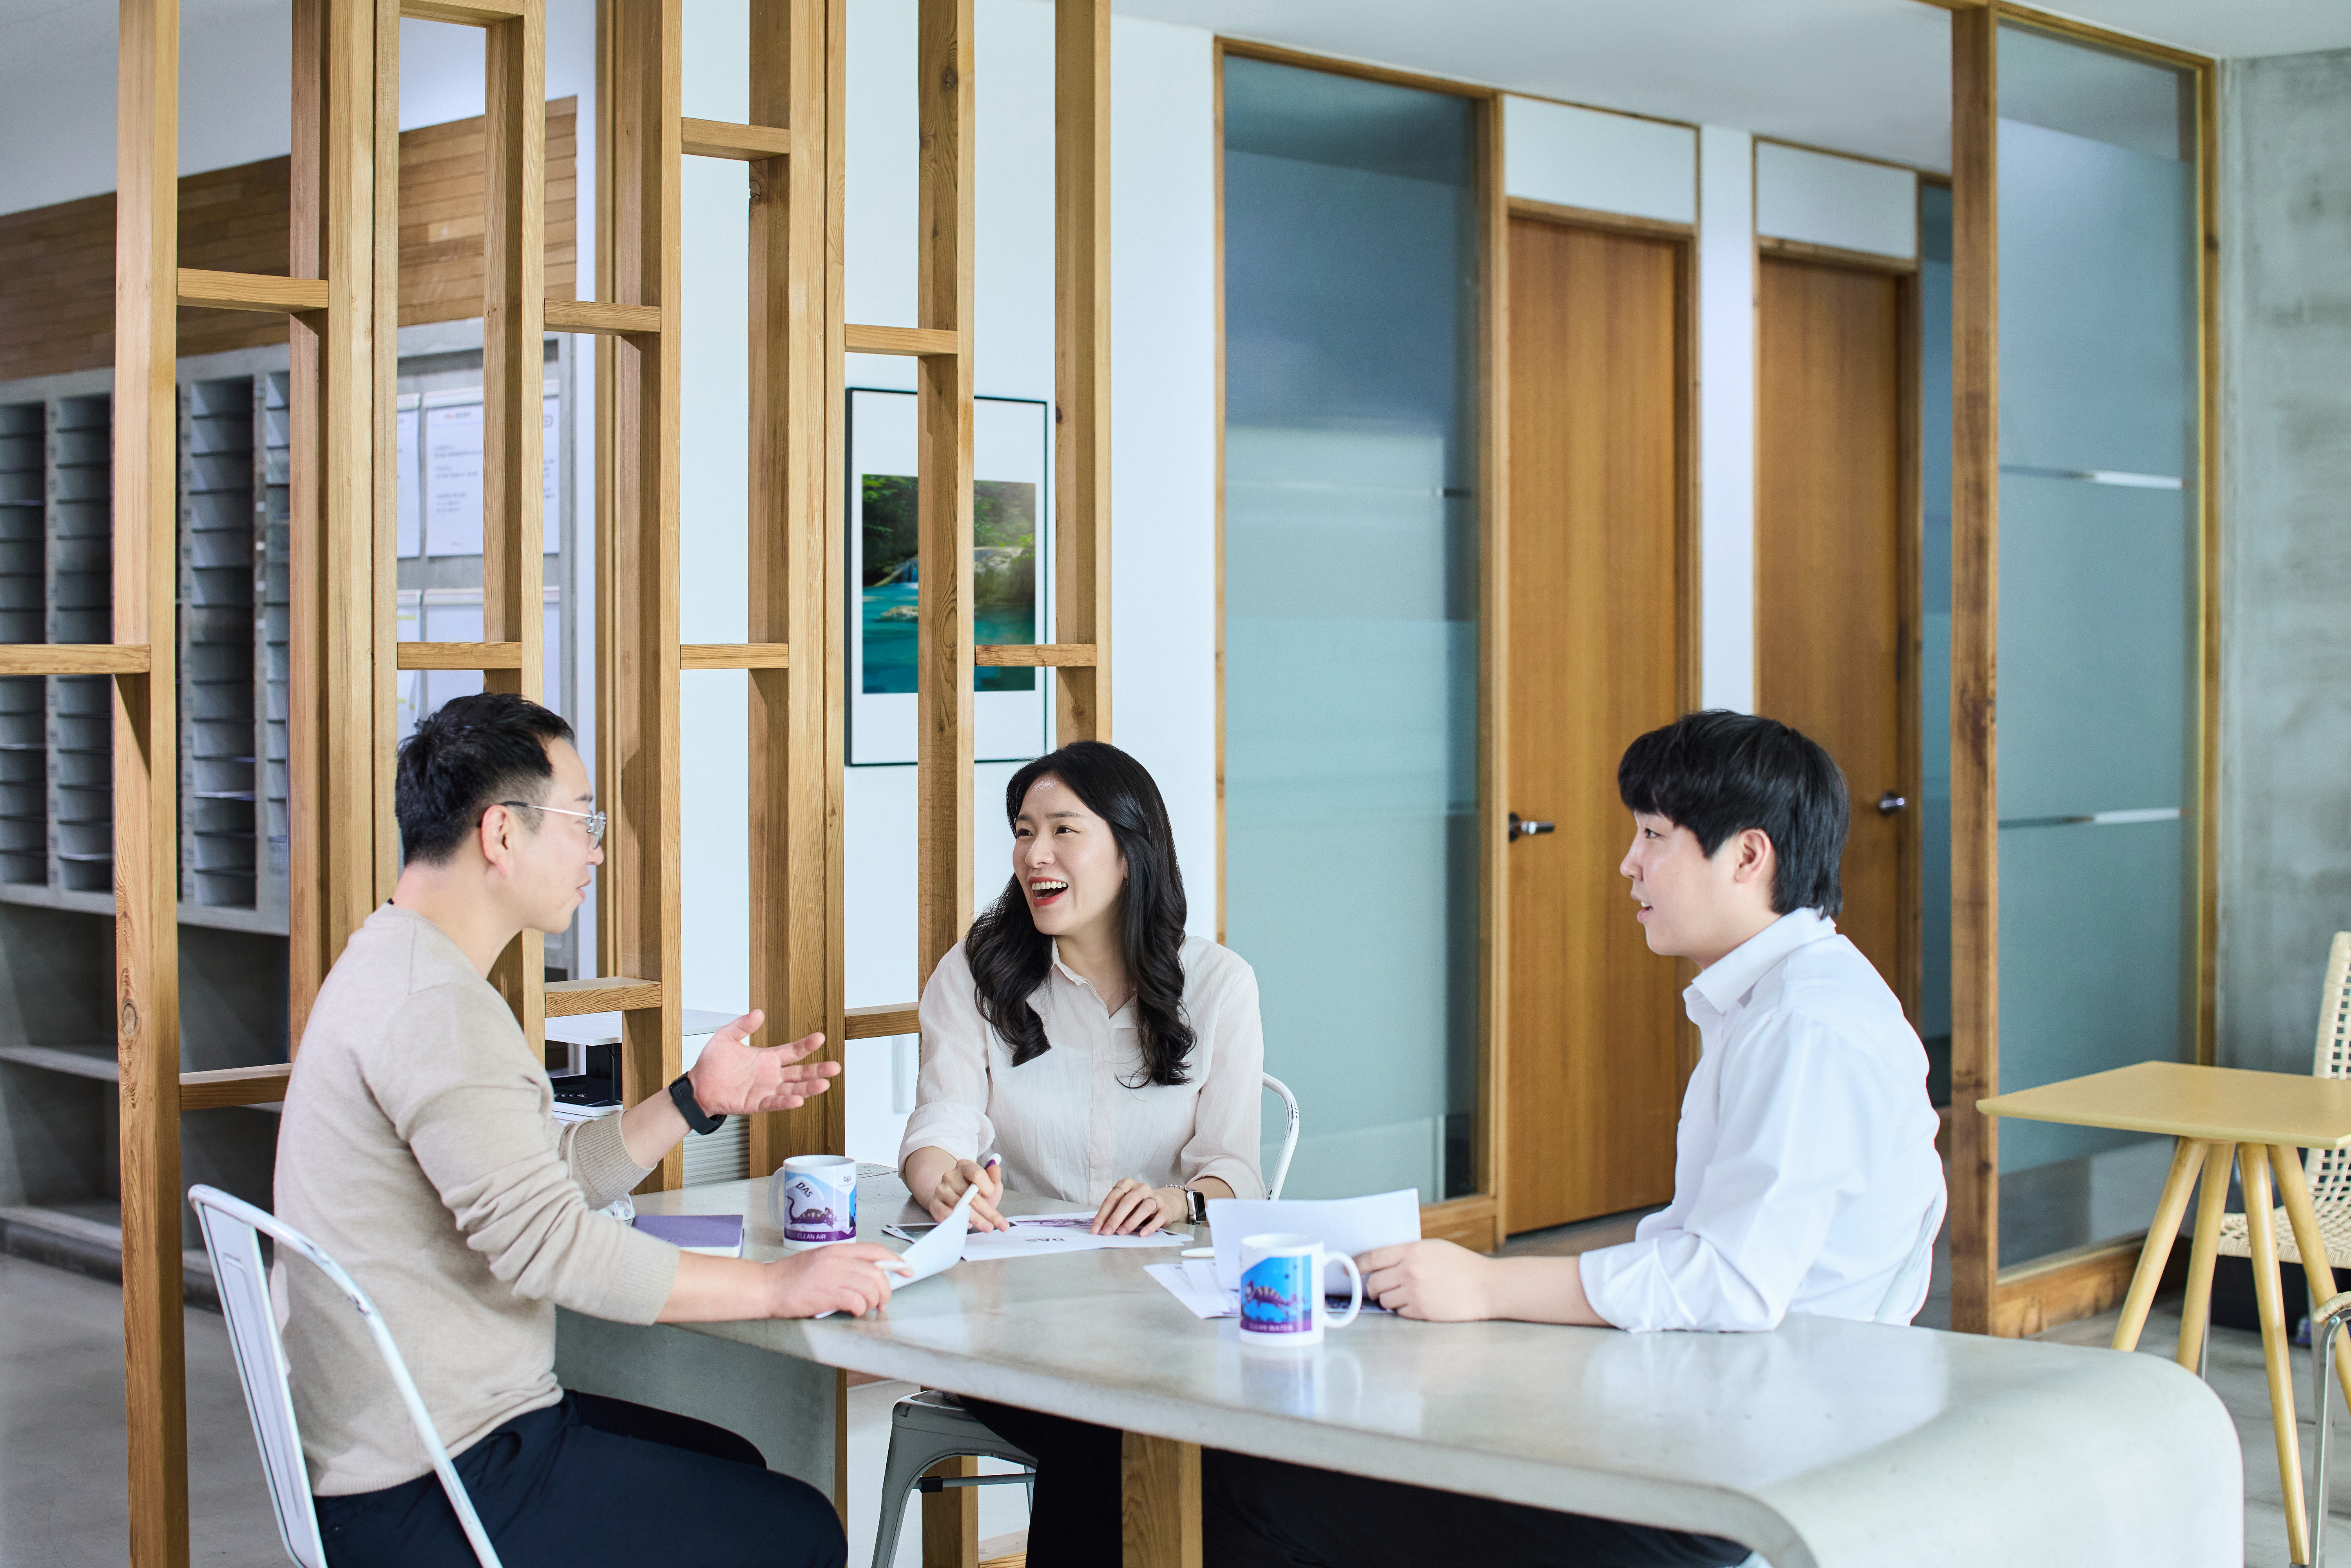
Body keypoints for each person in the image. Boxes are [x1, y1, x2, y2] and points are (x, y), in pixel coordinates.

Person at [1203, 710, 1947, 1568]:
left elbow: (1730, 1281)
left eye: (1654, 836)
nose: (1629, 863)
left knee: (1256, 1491)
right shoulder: (1781, 1001)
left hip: (1739, 1478)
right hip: (1716, 1421)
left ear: (1748, 858)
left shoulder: (1806, 1026)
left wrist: (1488, 1287)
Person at [273, 692, 910, 1568]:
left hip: (417, 1446)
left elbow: (537, 1181)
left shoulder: (396, 962)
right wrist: (779, 1287)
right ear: (502, 833)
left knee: (733, 1467)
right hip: (437, 1482)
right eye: (582, 819)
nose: (598, 850)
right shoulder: (437, 1009)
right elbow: (551, 1246)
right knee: (796, 1532)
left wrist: (694, 1100)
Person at [898, 739, 1266, 1568]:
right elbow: (937, 1132)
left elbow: (1236, 1171)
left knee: (1241, 1451)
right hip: (1016, 1324)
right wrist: (942, 1181)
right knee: (1104, 1425)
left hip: (1171, 1319)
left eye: (1064, 830)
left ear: (1131, 854)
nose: (1035, 855)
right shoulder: (978, 973)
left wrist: (1179, 1199)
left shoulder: (1218, 985)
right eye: (1024, 831)